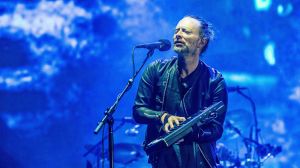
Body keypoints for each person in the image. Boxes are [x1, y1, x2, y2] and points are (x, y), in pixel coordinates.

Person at [132, 15, 228, 168]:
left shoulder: (215, 80)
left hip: (200, 161)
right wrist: (162, 116)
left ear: (202, 41)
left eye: (186, 31)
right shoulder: (156, 69)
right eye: (176, 31)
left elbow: (216, 129)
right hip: (163, 160)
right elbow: (138, 110)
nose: (178, 34)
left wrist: (189, 133)